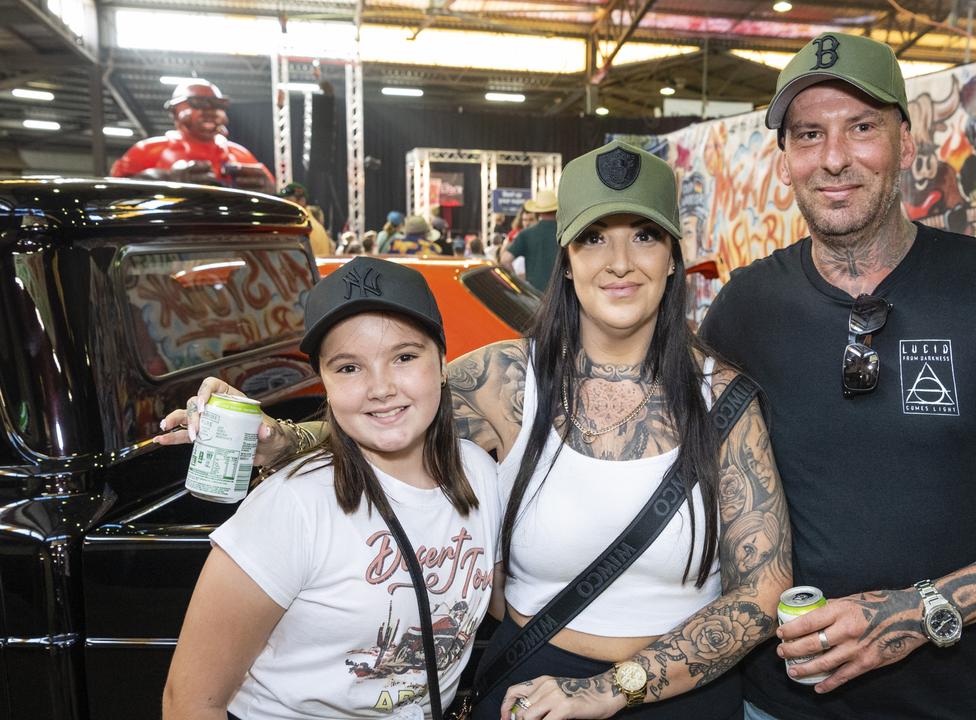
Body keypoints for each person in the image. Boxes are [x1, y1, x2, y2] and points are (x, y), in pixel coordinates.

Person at [169, 141, 793, 719]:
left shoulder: (723, 398)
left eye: (645, 236)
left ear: (672, 257)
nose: (620, 262)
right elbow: (387, 412)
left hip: (682, 696)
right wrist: (279, 437)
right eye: (594, 238)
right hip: (530, 689)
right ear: (567, 261)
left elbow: (764, 592)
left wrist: (611, 689)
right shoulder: (506, 379)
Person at [697, 32, 976, 719]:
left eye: (862, 128)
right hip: (776, 707)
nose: (834, 158)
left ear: (906, 141)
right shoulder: (746, 307)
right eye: (808, 134)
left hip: (957, 703)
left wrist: (918, 611)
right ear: (784, 159)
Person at [160, 257, 503, 719]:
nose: (380, 388)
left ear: (442, 363)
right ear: (324, 381)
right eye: (348, 368)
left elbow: (510, 600)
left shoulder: (478, 473)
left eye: (404, 357)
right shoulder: (291, 505)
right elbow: (190, 702)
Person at [111, 79, 274, 192]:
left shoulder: (239, 155)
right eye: (198, 103)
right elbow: (112, 198)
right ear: (175, 111)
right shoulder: (147, 151)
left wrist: (270, 191)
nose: (210, 111)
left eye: (218, 104)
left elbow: (275, 195)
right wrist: (161, 181)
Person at [501, 190, 559, 291]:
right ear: (557, 209)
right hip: (563, 295)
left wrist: (519, 283)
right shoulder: (566, 233)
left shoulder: (526, 234)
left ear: (538, 212)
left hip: (535, 296)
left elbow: (505, 260)